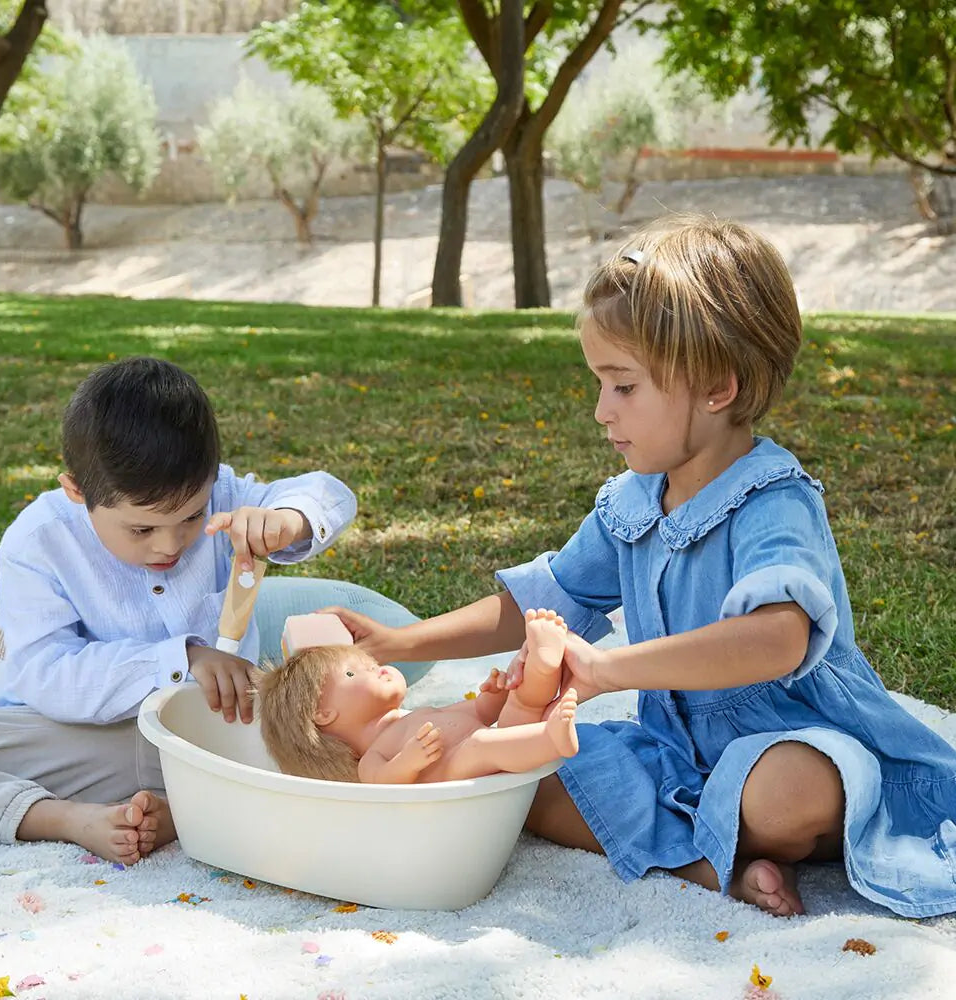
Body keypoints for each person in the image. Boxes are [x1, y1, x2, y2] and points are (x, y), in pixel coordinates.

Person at [324, 214, 956, 919]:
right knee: (528, 774)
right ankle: (709, 865)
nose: (601, 410)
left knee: (789, 792)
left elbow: (778, 639)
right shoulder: (632, 502)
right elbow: (547, 597)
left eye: (623, 386)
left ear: (717, 387)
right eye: (600, 384)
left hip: (798, 740)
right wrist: (398, 642)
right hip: (675, 757)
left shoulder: (772, 501)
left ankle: (742, 840)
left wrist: (610, 670)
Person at [0, 357, 356, 865]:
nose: (170, 545)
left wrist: (288, 519)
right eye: (141, 529)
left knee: (354, 730)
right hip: (84, 744)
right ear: (77, 491)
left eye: (192, 517)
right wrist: (184, 658)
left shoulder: (225, 494)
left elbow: (330, 494)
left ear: (211, 478)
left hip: (217, 734)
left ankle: (184, 805)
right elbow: (47, 677)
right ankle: (67, 819)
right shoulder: (36, 543)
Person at [254, 608, 577, 783]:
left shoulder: (412, 717)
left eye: (369, 663)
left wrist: (491, 697)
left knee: (520, 699)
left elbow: (477, 714)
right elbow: (383, 782)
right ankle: (550, 739)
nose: (375, 668)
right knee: (481, 745)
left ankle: (542, 664)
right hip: (463, 767)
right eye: (353, 673)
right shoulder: (372, 759)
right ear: (322, 713)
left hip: (498, 745)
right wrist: (408, 762)